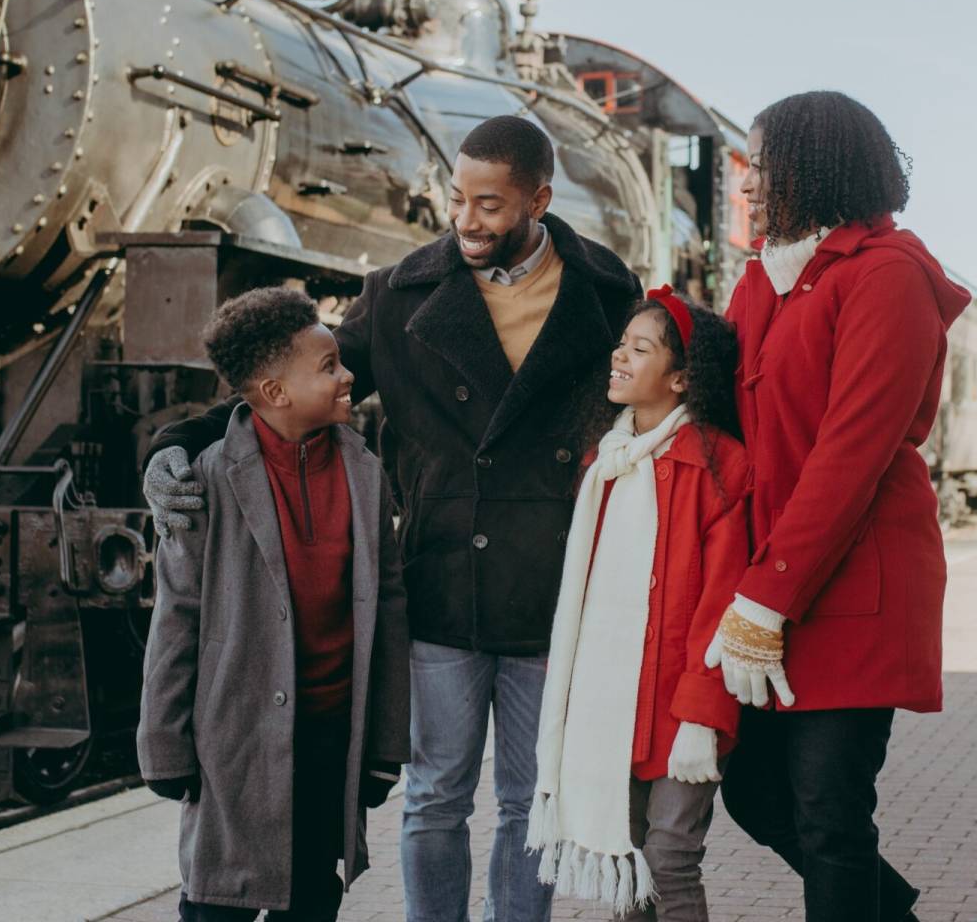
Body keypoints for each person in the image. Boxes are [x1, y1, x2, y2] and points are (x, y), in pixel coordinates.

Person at [142, 114, 642, 922]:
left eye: (489, 206)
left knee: (528, 799)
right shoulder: (404, 290)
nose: (467, 222)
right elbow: (285, 387)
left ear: (538, 201)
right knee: (436, 795)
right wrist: (178, 439)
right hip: (442, 579)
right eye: (457, 200)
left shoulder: (608, 290)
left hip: (552, 586)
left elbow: (647, 407)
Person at [700, 92, 969, 922]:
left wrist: (764, 596)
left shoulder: (889, 278)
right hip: (776, 583)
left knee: (829, 812)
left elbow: (849, 457)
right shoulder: (763, 283)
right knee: (753, 791)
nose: (750, 187)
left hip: (854, 587)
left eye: (765, 168)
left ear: (817, 169)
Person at [137, 287, 410, 921]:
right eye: (330, 367)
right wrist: (164, 746)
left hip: (329, 738)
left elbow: (388, 612)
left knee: (313, 896)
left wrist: (385, 748)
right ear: (275, 393)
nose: (349, 377)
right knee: (215, 901)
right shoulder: (203, 478)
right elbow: (176, 618)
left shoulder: (365, 473)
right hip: (233, 739)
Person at [526, 288, 750, 922]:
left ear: (681, 378)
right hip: (612, 702)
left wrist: (705, 712)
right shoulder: (605, 463)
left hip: (683, 706)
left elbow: (725, 602)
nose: (619, 356)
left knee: (671, 858)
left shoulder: (720, 467)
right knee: (626, 862)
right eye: (621, 344)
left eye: (640, 348)